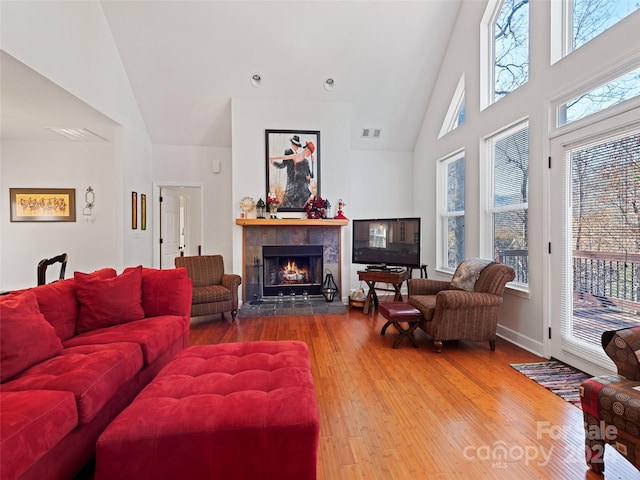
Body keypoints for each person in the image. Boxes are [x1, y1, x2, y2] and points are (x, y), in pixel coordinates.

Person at [269, 138, 315, 208]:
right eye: (310, 152)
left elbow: (311, 175)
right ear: (307, 149)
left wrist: (313, 162)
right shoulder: (295, 156)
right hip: (296, 184)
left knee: (311, 197)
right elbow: (284, 157)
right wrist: (273, 159)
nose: (310, 154)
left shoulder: (307, 162)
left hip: (303, 185)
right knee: (291, 203)